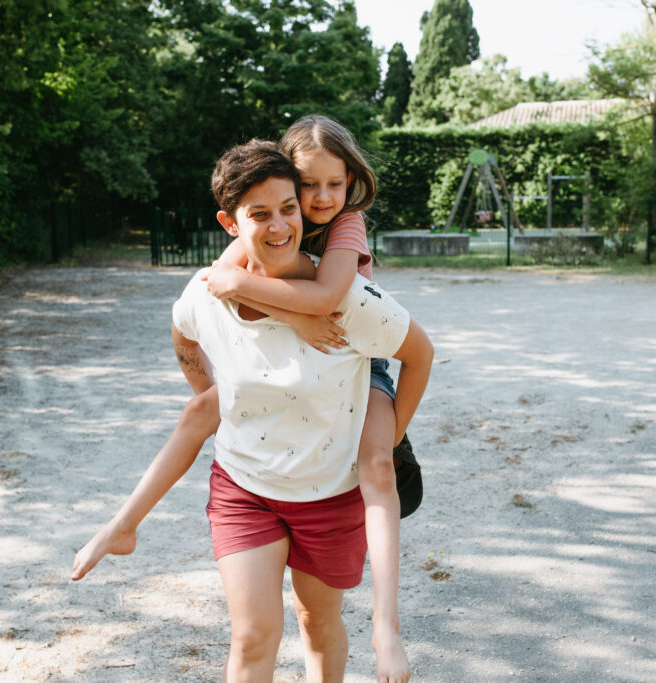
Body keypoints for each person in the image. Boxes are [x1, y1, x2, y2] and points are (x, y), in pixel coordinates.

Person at [73, 140, 433, 683]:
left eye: (288, 208)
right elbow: (184, 333)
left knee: (317, 621)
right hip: (246, 490)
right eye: (259, 214)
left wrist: (385, 437)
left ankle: (385, 628)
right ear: (229, 221)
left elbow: (419, 354)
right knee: (252, 636)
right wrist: (213, 392)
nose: (279, 225)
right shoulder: (207, 292)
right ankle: (122, 525)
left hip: (329, 495)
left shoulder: (348, 301)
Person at [203, 114, 416, 680]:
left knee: (374, 463)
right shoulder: (277, 213)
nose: (322, 198)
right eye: (309, 185)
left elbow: (322, 298)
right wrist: (287, 317)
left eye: (335, 183)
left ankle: (386, 625)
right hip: (297, 362)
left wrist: (393, 431)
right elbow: (222, 285)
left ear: (352, 182)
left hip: (356, 357)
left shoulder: (348, 226)